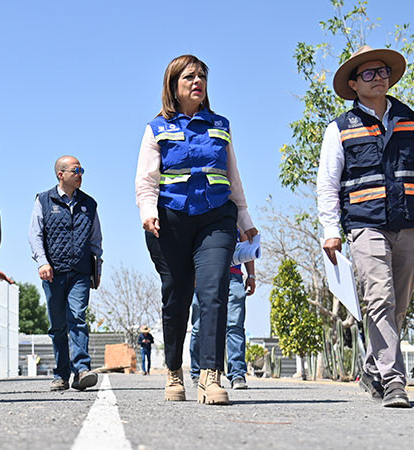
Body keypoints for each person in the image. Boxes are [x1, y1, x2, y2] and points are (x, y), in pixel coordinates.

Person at [317, 46, 414, 408]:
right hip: (365, 225)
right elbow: (328, 184)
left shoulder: (411, 120)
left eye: (382, 71)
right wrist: (331, 230)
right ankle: (395, 381)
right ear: (353, 83)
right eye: (368, 73)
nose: (378, 77)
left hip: (409, 223)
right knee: (378, 298)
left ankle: (371, 369)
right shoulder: (339, 129)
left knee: (397, 306)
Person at [136, 55, 256, 405]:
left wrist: (245, 220)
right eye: (188, 77)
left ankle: (210, 375)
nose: (196, 81)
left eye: (201, 76)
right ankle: (174, 371)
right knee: (176, 296)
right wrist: (147, 211)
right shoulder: (156, 128)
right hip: (170, 220)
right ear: (173, 85)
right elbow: (146, 180)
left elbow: (232, 176)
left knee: (214, 290)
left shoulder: (220, 125)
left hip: (216, 218)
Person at [28, 155, 102, 392]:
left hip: (80, 272)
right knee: (58, 325)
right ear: (61, 174)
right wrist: (42, 262)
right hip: (53, 272)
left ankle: (82, 370)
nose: (80, 174)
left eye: (82, 170)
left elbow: (95, 240)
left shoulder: (89, 204)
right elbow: (35, 235)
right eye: (76, 170)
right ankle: (61, 374)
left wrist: (96, 268)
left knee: (78, 318)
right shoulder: (44, 200)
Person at [189, 231, 256, 390]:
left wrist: (251, 275)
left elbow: (247, 242)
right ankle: (198, 373)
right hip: (204, 276)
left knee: (235, 326)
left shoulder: (237, 218)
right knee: (199, 326)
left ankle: (237, 374)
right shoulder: (201, 214)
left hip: (233, 277)